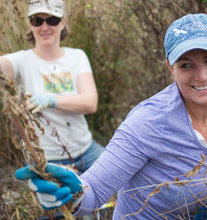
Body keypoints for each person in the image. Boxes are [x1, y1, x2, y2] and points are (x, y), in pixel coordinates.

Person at [15, 13, 207, 219]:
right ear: (170, 67)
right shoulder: (149, 122)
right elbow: (95, 191)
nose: (202, 75)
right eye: (186, 65)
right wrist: (73, 193)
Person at [0, 0, 104, 173]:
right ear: (30, 24)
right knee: (62, 199)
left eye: (52, 20)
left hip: (86, 151)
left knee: (125, 185)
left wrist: (52, 100)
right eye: (37, 20)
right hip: (47, 159)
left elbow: (90, 102)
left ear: (62, 22)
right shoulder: (22, 60)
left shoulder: (77, 56)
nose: (44, 27)